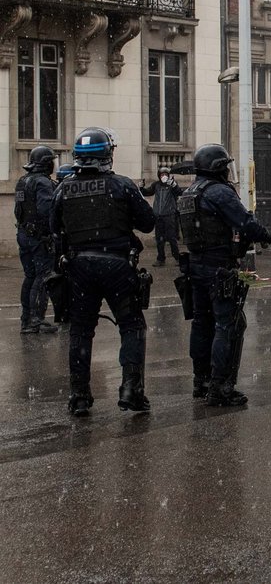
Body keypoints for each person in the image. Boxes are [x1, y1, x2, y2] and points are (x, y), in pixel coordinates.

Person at [51, 128, 156, 417]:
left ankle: (80, 396)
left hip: (79, 267)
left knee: (81, 331)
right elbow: (148, 223)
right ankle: (131, 391)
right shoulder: (121, 185)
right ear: (107, 155)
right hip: (116, 266)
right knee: (132, 326)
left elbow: (54, 228)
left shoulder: (63, 189)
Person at [178, 143, 271, 406]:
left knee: (201, 323)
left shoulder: (190, 193)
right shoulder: (218, 192)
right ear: (219, 168)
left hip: (195, 266)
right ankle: (221, 386)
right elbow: (245, 222)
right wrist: (265, 235)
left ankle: (201, 380)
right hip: (219, 267)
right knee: (228, 324)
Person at [15, 146, 60, 334]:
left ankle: (26, 318)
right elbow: (46, 211)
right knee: (43, 276)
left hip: (24, 234)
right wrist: (52, 232)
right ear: (45, 163)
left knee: (30, 276)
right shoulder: (42, 183)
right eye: (51, 161)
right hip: (38, 238)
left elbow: (18, 210)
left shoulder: (22, 181)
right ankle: (36, 319)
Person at [140, 166, 184, 265]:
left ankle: (177, 258)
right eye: (162, 175)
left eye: (165, 175)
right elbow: (147, 192)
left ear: (168, 176)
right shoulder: (156, 185)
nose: (163, 176)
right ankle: (161, 259)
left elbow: (179, 192)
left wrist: (174, 185)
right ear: (159, 176)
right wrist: (141, 187)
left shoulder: (172, 185)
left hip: (169, 215)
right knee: (159, 239)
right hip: (158, 216)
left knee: (172, 237)